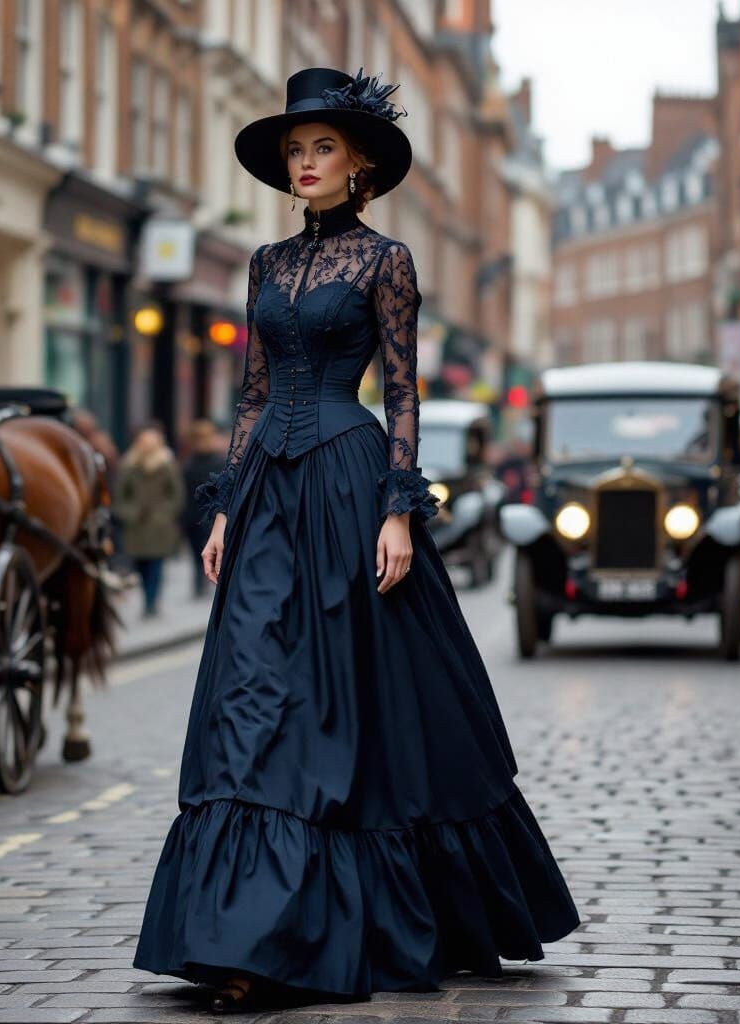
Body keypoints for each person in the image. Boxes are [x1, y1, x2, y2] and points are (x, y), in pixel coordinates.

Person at [132, 66, 579, 1013]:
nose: (304, 164)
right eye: (295, 151)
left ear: (359, 163)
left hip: (346, 483)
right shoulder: (262, 265)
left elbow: (405, 391)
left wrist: (396, 509)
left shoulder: (386, 262)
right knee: (250, 693)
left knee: (341, 705)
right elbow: (251, 398)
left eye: (321, 148)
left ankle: (313, 922)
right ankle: (239, 929)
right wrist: (221, 508)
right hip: (265, 501)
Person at [115, 421, 186, 616]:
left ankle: (151, 601)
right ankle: (148, 599)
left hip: (159, 526)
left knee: (156, 566)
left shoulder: (167, 464)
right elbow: (120, 496)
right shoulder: (128, 465)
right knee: (140, 566)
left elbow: (176, 494)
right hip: (136, 526)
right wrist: (131, 513)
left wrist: (163, 514)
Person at [181, 419, 227, 599]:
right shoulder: (189, 463)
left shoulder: (217, 462)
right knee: (197, 550)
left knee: (205, 549)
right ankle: (201, 581)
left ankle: (204, 580)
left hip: (209, 515)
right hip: (196, 515)